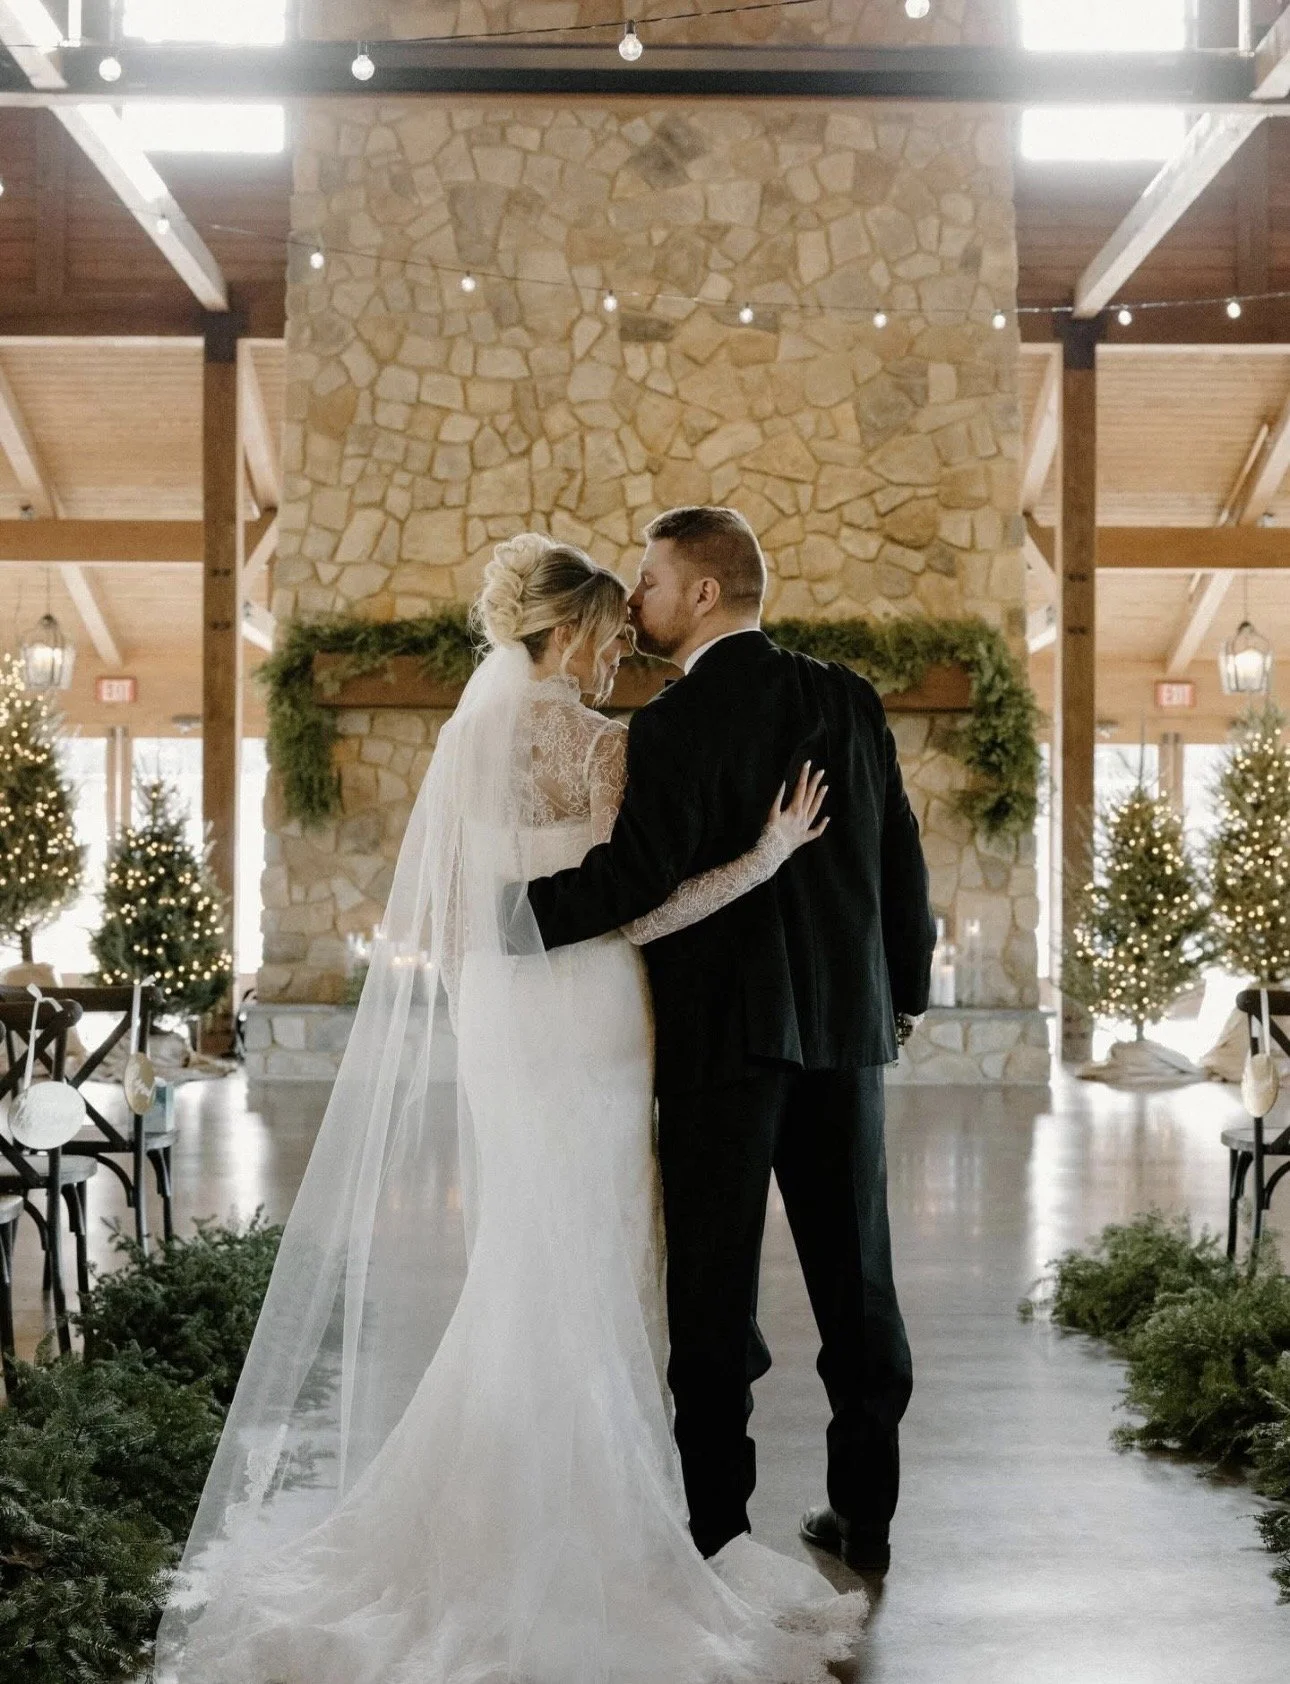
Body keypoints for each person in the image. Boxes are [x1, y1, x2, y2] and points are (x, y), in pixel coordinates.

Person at [155, 532, 867, 1684]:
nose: (618, 645)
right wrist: (767, 856)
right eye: (607, 629)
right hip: (587, 1016)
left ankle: (509, 1496)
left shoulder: (463, 744)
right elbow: (633, 909)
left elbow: (440, 932)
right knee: (600, 1251)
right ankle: (600, 1518)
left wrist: (499, 980)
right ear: (575, 630)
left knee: (520, 1255)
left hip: (501, 1028)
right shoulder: (599, 743)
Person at [526, 505, 936, 1575]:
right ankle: (868, 1519)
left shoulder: (675, 721)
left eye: (654, 581)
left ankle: (719, 1532)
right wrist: (904, 992)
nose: (641, 598)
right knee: (860, 1287)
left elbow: (637, 876)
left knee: (712, 1296)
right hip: (846, 1034)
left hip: (721, 1045)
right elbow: (901, 857)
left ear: (704, 592)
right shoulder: (848, 700)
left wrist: (508, 920)